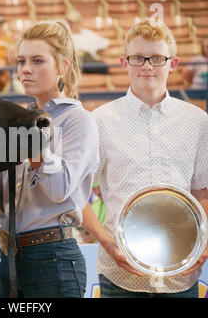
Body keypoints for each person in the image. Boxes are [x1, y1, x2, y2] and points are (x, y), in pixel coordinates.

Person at [0, 20, 99, 298]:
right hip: (8, 258)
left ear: (62, 66)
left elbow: (58, 190)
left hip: (54, 259)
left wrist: (35, 146)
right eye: (22, 61)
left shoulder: (80, 121)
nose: (25, 69)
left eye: (38, 60)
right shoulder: (15, 121)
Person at [83, 18, 208, 298]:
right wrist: (105, 242)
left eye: (156, 58)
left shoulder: (198, 122)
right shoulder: (99, 121)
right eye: (138, 57)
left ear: (172, 64)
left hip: (181, 273)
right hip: (120, 275)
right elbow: (77, 194)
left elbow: (201, 190)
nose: (147, 66)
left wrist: (204, 239)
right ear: (124, 62)